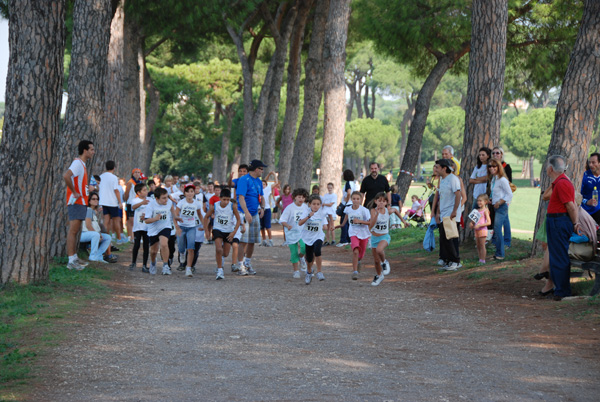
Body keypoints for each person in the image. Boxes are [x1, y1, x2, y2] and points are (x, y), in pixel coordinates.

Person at [545, 155, 579, 301]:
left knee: (559, 256)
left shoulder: (563, 183)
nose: (546, 168)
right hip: (555, 220)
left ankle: (563, 291)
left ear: (551, 168)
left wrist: (576, 223)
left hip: (559, 221)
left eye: (547, 166)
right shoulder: (558, 182)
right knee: (556, 255)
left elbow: (570, 206)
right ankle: (559, 288)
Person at [63, 140, 95, 270]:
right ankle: (71, 261)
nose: (93, 152)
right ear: (85, 150)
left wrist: (87, 189)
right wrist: (75, 192)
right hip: (76, 202)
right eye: (91, 149)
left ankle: (74, 257)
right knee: (73, 231)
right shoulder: (77, 163)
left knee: (76, 231)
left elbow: (78, 182)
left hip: (81, 202)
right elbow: (66, 176)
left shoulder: (82, 164)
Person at [236, 159, 267, 275]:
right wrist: (246, 212)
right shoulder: (244, 180)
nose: (262, 171)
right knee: (243, 240)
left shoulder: (258, 181)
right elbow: (241, 198)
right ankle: (240, 265)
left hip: (255, 213)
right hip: (244, 213)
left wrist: (262, 207)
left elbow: (261, 196)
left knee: (252, 240)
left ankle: (247, 263)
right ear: (255, 169)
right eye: (261, 169)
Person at [368, 192, 405, 286]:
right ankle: (379, 275)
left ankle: (384, 262)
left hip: (384, 236)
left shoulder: (387, 211)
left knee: (379, 250)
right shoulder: (373, 211)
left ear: (386, 203)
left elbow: (396, 211)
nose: (381, 203)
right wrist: (376, 214)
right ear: (375, 201)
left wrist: (403, 221)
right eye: (379, 201)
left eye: (383, 201)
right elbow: (371, 225)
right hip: (374, 237)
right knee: (376, 261)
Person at [432, 159, 462, 271]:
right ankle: (449, 260)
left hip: (451, 214)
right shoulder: (442, 179)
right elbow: (441, 197)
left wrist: (454, 210)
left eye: (437, 167)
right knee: (444, 238)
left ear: (444, 168)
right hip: (443, 213)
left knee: (451, 237)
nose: (436, 169)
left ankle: (455, 261)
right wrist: (438, 212)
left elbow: (458, 195)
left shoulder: (453, 179)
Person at [205, 188, 241, 280]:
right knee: (218, 249)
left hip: (228, 231)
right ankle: (220, 269)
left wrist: (233, 232)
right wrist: (207, 232)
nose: (226, 202)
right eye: (224, 199)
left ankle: (220, 261)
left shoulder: (232, 206)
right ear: (220, 198)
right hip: (217, 229)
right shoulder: (215, 206)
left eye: (228, 200)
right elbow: (206, 217)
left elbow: (238, 220)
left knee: (225, 253)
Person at [337, 192, 371, 280]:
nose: (355, 201)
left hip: (364, 233)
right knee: (355, 251)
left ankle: (359, 261)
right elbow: (346, 217)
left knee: (361, 254)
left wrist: (360, 221)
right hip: (353, 232)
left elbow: (370, 222)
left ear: (360, 200)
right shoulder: (348, 209)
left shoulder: (364, 210)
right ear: (351, 199)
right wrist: (341, 225)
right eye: (354, 199)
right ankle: (355, 272)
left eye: (357, 199)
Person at [298, 195, 331, 284]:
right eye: (313, 204)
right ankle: (309, 272)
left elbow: (330, 214)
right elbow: (300, 223)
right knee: (309, 258)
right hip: (307, 238)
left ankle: (319, 272)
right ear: (309, 204)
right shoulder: (306, 212)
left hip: (318, 236)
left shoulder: (322, 212)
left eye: (318, 204)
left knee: (317, 251)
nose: (316, 206)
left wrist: (328, 226)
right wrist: (308, 216)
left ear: (320, 205)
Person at [143, 187, 176, 276]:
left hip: (165, 226)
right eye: (163, 198)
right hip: (153, 229)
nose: (166, 199)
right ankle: (153, 263)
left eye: (167, 197)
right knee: (153, 251)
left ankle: (165, 266)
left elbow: (172, 208)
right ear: (157, 198)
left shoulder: (169, 202)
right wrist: (155, 218)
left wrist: (176, 217)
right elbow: (146, 220)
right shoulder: (151, 205)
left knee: (164, 244)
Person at [174, 183, 204, 278]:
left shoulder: (197, 203)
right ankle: (182, 253)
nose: (190, 194)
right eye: (188, 192)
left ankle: (188, 269)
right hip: (181, 227)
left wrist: (204, 225)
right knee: (181, 247)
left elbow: (199, 214)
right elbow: (175, 215)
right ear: (185, 193)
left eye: (192, 191)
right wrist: (177, 227)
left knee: (191, 248)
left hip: (191, 227)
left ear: (194, 193)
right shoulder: (181, 203)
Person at [280, 188, 309, 278]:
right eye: (299, 197)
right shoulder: (289, 208)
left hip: (302, 232)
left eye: (303, 197)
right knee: (294, 252)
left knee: (304, 248)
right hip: (291, 232)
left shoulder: (305, 207)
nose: (301, 199)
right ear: (294, 197)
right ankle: (296, 271)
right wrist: (287, 225)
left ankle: (301, 257)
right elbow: (282, 220)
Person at [487, 159, 513, 260]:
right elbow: (497, 193)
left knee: (497, 230)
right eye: (490, 166)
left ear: (499, 167)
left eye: (494, 166)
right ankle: (499, 252)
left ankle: (500, 254)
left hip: (501, 207)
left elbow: (509, 194)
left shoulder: (502, 180)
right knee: (498, 229)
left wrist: (499, 202)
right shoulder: (494, 179)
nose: (492, 168)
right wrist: (492, 199)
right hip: (495, 205)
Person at [80, 192, 114, 263]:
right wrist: (98, 235)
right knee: (96, 235)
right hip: (84, 233)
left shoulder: (93, 211)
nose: (96, 200)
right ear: (89, 201)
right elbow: (88, 225)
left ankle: (98, 255)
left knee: (108, 237)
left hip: (90, 233)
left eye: (97, 199)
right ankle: (93, 256)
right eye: (93, 199)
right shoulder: (88, 210)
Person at [98, 161, 126, 244]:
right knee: (116, 221)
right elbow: (116, 190)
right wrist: (120, 202)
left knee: (106, 221)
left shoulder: (101, 176)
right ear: (114, 168)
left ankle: (105, 238)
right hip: (112, 202)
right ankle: (119, 238)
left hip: (103, 201)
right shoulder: (114, 178)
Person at [492, 146, 512, 247]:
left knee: (504, 220)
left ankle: (506, 241)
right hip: (495, 199)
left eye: (498, 153)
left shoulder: (506, 167)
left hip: (503, 199)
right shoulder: (492, 167)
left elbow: (509, 185)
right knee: (499, 221)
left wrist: (503, 200)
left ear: (501, 155)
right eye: (494, 153)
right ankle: (496, 241)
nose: (495, 155)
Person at [130, 183, 150, 273]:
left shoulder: (150, 200)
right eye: (144, 190)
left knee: (146, 246)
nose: (146, 192)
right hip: (137, 227)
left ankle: (145, 265)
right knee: (137, 245)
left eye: (146, 190)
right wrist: (142, 202)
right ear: (138, 192)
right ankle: (133, 262)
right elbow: (133, 207)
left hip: (147, 227)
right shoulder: (135, 200)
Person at [337, 169, 359, 247]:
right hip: (352, 204)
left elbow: (349, 192)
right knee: (350, 223)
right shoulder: (354, 183)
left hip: (347, 205)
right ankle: (349, 239)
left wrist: (347, 199)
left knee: (343, 222)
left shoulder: (348, 183)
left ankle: (343, 240)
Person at [468, 194, 491, 264]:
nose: (478, 202)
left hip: (482, 230)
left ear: (485, 202)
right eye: (478, 201)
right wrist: (471, 224)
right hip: (476, 230)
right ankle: (480, 258)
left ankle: (483, 259)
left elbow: (489, 222)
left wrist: (480, 225)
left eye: (480, 201)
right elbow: (473, 220)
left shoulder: (485, 210)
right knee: (478, 245)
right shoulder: (476, 211)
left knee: (482, 245)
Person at [580, 152, 600, 224]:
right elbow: (577, 195)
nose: (591, 165)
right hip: (584, 211)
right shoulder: (585, 176)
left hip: (598, 210)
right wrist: (587, 202)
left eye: (593, 162)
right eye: (589, 162)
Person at [124, 168, 143, 243]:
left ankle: (136, 236)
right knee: (130, 220)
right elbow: (127, 193)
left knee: (138, 220)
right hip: (130, 203)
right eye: (136, 172)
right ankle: (130, 236)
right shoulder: (130, 182)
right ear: (133, 173)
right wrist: (126, 201)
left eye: (139, 172)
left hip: (138, 203)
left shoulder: (140, 182)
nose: (137, 174)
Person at [260, 171, 278, 247]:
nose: (263, 185)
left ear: (266, 185)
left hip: (267, 209)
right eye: (262, 184)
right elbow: (263, 180)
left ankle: (270, 240)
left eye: (264, 184)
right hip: (260, 209)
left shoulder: (267, 189)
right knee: (261, 227)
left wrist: (273, 175)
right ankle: (264, 240)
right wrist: (268, 174)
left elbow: (276, 183)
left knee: (268, 226)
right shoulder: (259, 189)